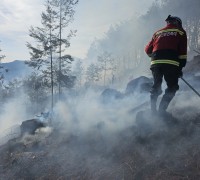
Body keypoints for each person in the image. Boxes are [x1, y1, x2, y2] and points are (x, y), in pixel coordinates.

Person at [145, 15, 187, 115]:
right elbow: (182, 53)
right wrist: (180, 68)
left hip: (155, 63)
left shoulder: (157, 33)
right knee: (172, 87)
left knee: (156, 87)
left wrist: (156, 56)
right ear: (177, 23)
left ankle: (153, 112)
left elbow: (147, 50)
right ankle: (161, 112)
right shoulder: (180, 32)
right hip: (171, 64)